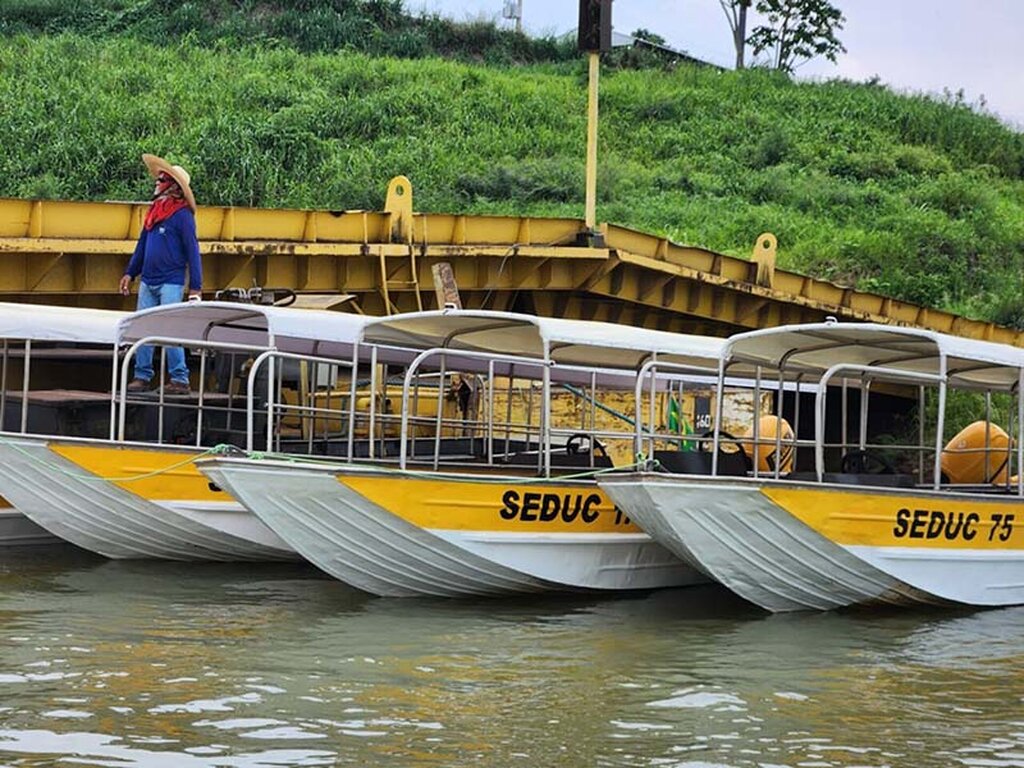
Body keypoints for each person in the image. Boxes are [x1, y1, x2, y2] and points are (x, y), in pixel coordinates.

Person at [119, 153, 202, 394]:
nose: (157, 182)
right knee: (143, 327)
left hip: (171, 282)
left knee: (170, 328)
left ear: (173, 187)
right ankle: (142, 375)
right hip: (148, 280)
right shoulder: (155, 213)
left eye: (162, 179)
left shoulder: (183, 217)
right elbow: (142, 245)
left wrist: (196, 287)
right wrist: (130, 272)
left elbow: (192, 251)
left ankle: (180, 378)